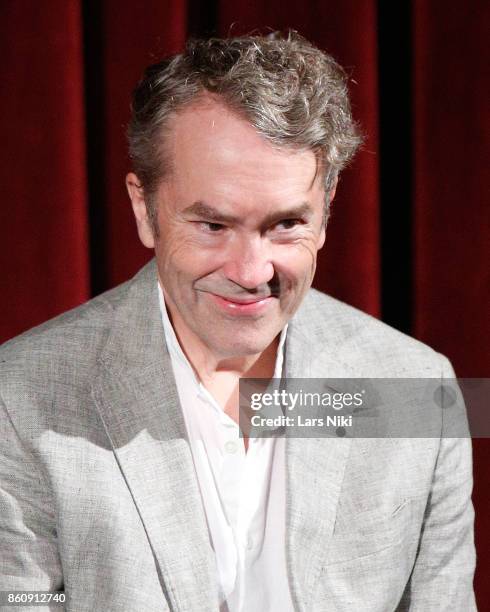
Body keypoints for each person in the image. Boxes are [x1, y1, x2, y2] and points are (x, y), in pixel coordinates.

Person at [0, 32, 475, 612]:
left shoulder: (419, 390)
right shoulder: (19, 396)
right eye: (213, 226)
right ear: (144, 211)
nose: (252, 273)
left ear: (325, 216)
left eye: (284, 225)